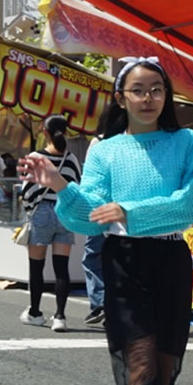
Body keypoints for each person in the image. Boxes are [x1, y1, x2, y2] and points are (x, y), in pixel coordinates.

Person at [19, 56, 193, 385]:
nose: (148, 98)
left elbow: (187, 206)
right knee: (139, 359)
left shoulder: (186, 141)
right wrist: (61, 186)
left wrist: (129, 210)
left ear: (167, 95)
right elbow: (90, 215)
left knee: (166, 364)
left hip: (171, 257)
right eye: (138, 90)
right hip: (124, 260)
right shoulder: (104, 150)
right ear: (121, 98)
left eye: (156, 89)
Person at [18, 115, 81, 331]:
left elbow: (27, 191)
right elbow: (77, 187)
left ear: (44, 131)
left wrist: (29, 210)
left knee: (36, 266)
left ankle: (35, 312)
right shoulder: (72, 159)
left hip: (42, 212)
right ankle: (60, 316)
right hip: (65, 211)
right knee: (61, 267)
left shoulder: (35, 157)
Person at [81, 135, 107, 326]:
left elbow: (89, 179)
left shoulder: (99, 142)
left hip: (101, 208)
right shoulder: (133, 140)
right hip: (126, 211)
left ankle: (101, 302)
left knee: (92, 257)